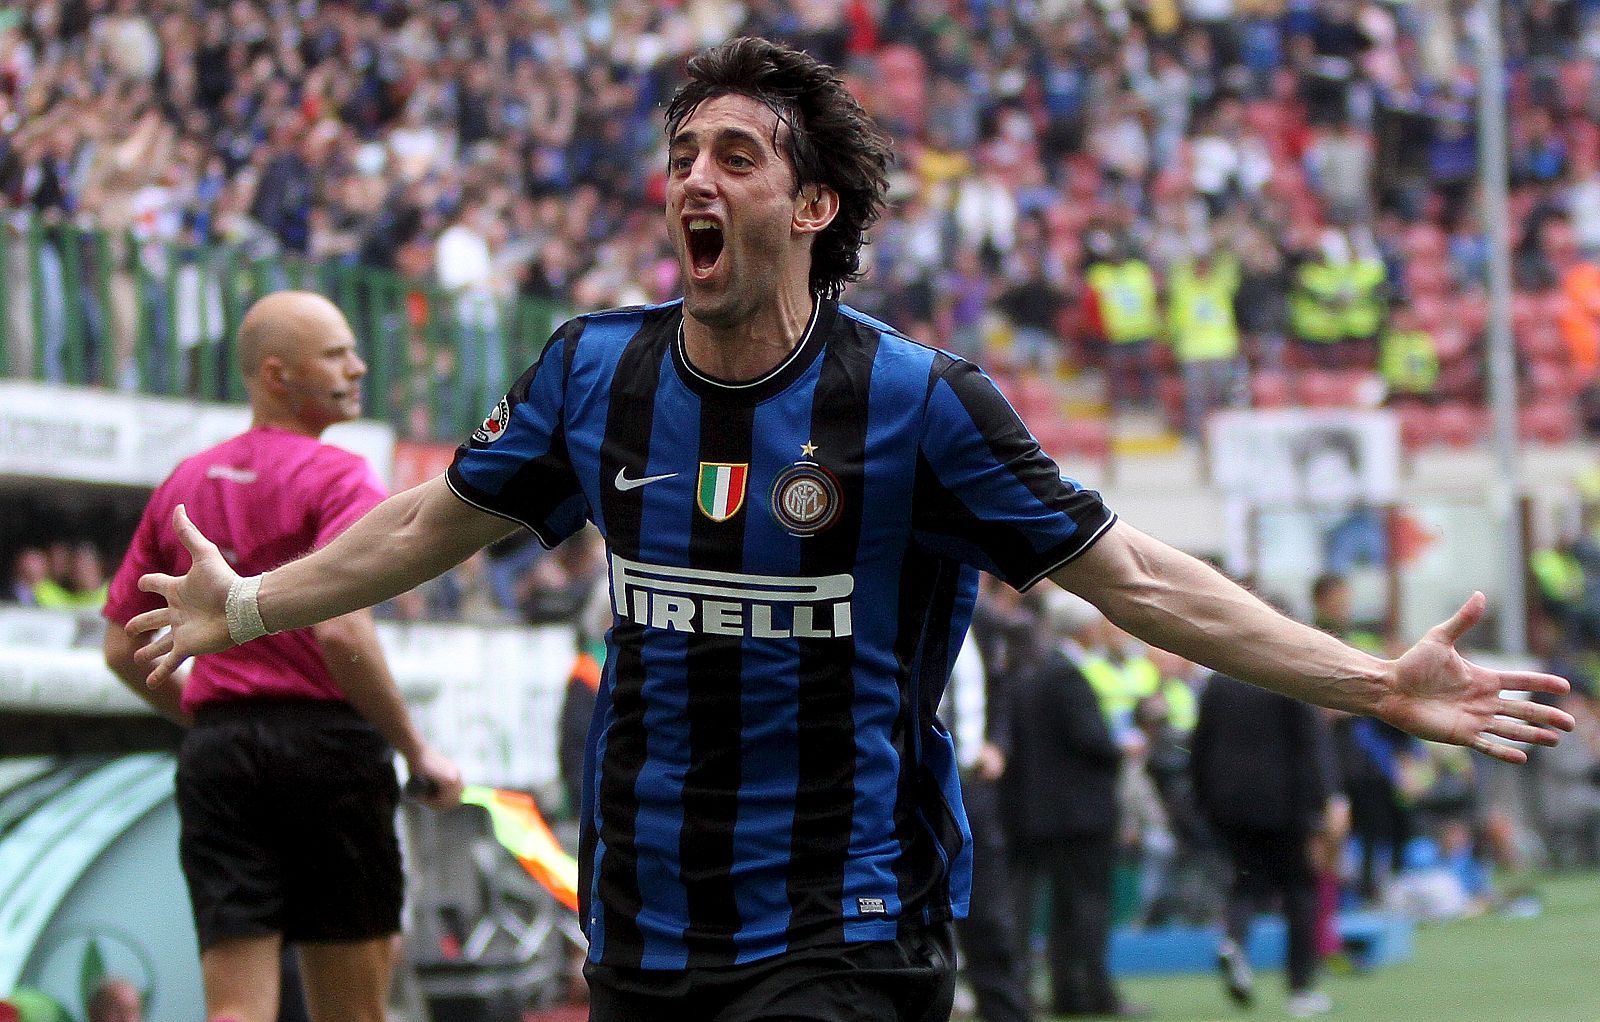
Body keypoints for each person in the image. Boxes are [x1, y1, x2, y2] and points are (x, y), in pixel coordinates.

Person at [122, 38, 1571, 1022]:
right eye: (683, 151)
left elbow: (1132, 574)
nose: (695, 177)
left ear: (811, 205)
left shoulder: (921, 403)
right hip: (642, 918)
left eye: (738, 156)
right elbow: (433, 521)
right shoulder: (591, 369)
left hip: (848, 914)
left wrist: (1368, 678)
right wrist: (251, 605)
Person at [101, 291, 464, 1022]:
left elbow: (120, 647)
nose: (358, 367)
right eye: (335, 355)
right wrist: (418, 750)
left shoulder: (184, 483)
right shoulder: (340, 477)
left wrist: (213, 716)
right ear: (277, 374)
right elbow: (343, 634)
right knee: (352, 1009)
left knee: (235, 1007)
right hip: (328, 753)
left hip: (220, 755)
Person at [1005, 590, 1146, 1019]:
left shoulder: (1037, 673)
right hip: (1081, 814)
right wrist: (1122, 747)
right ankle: (1095, 992)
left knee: (1061, 910)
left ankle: (1068, 993)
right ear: (1085, 629)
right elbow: (1089, 740)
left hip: (1046, 814)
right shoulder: (1068, 677)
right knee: (1087, 907)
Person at [1192, 671, 1341, 1017]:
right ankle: (1300, 987)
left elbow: (1201, 741)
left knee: (1246, 881)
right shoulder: (1288, 675)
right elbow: (1310, 743)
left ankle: (1234, 943)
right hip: (1284, 803)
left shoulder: (1219, 679)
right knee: (1301, 889)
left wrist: (1202, 800)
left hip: (1228, 801)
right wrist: (1327, 797)